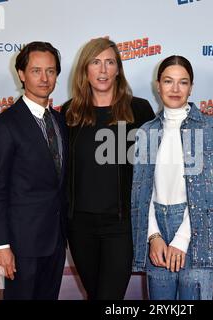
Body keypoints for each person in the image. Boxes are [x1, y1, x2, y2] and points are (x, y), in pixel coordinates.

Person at [131, 55, 213, 300]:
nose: (175, 89)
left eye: (183, 82)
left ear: (191, 87)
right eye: (168, 81)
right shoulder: (146, 131)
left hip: (198, 233)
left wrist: (182, 237)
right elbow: (142, 191)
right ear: (158, 85)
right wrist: (154, 236)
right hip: (157, 227)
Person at [63, 38, 155, 300]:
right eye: (95, 62)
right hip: (80, 226)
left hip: (121, 226)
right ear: (85, 69)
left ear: (118, 69)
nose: (102, 70)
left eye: (109, 62)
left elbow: (155, 164)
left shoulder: (139, 110)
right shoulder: (71, 112)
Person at [0, 41, 68, 300]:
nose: (44, 78)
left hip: (55, 242)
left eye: (51, 71)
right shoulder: (4, 126)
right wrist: (0, 246)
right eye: (36, 71)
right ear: (21, 74)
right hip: (20, 246)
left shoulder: (61, 121)